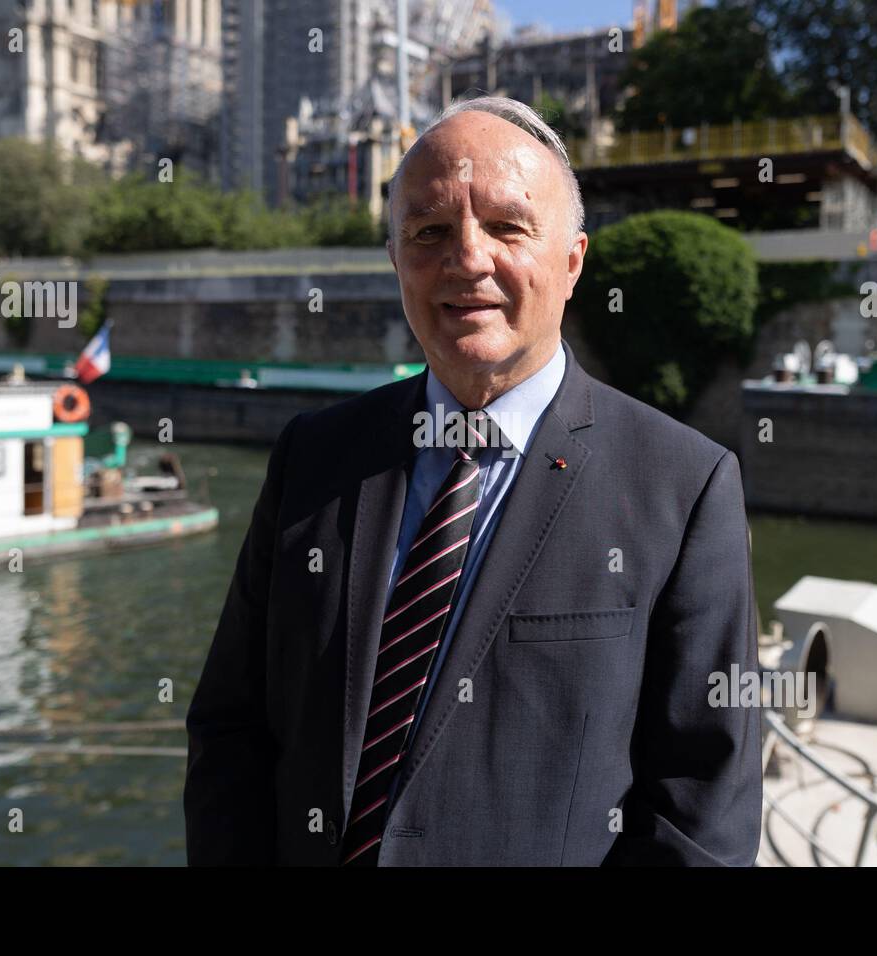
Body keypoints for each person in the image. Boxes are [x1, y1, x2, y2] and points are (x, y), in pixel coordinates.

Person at [184, 96, 762, 866]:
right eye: (428, 232)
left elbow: (702, 815)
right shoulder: (313, 457)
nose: (467, 258)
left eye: (508, 226)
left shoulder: (684, 487)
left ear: (572, 261)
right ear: (395, 259)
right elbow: (232, 730)